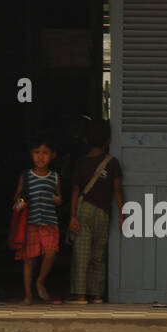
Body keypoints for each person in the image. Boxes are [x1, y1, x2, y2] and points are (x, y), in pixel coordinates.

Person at [68, 119, 124, 305]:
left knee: (81, 253)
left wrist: (73, 216)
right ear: (108, 141)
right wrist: (123, 215)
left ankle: (80, 295)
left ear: (85, 140)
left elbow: (75, 191)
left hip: (84, 211)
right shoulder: (112, 162)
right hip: (104, 213)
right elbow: (117, 191)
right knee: (98, 254)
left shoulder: (81, 163)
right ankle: (97, 294)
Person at [13, 134, 62, 305]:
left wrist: (58, 200)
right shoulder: (26, 176)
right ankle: (28, 295)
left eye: (45, 153)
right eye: (36, 152)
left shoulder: (54, 176)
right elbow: (18, 197)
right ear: (31, 155)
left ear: (52, 155)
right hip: (31, 224)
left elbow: (59, 197)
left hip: (49, 223)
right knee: (29, 260)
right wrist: (19, 204)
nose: (40, 156)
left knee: (51, 252)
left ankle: (40, 280)